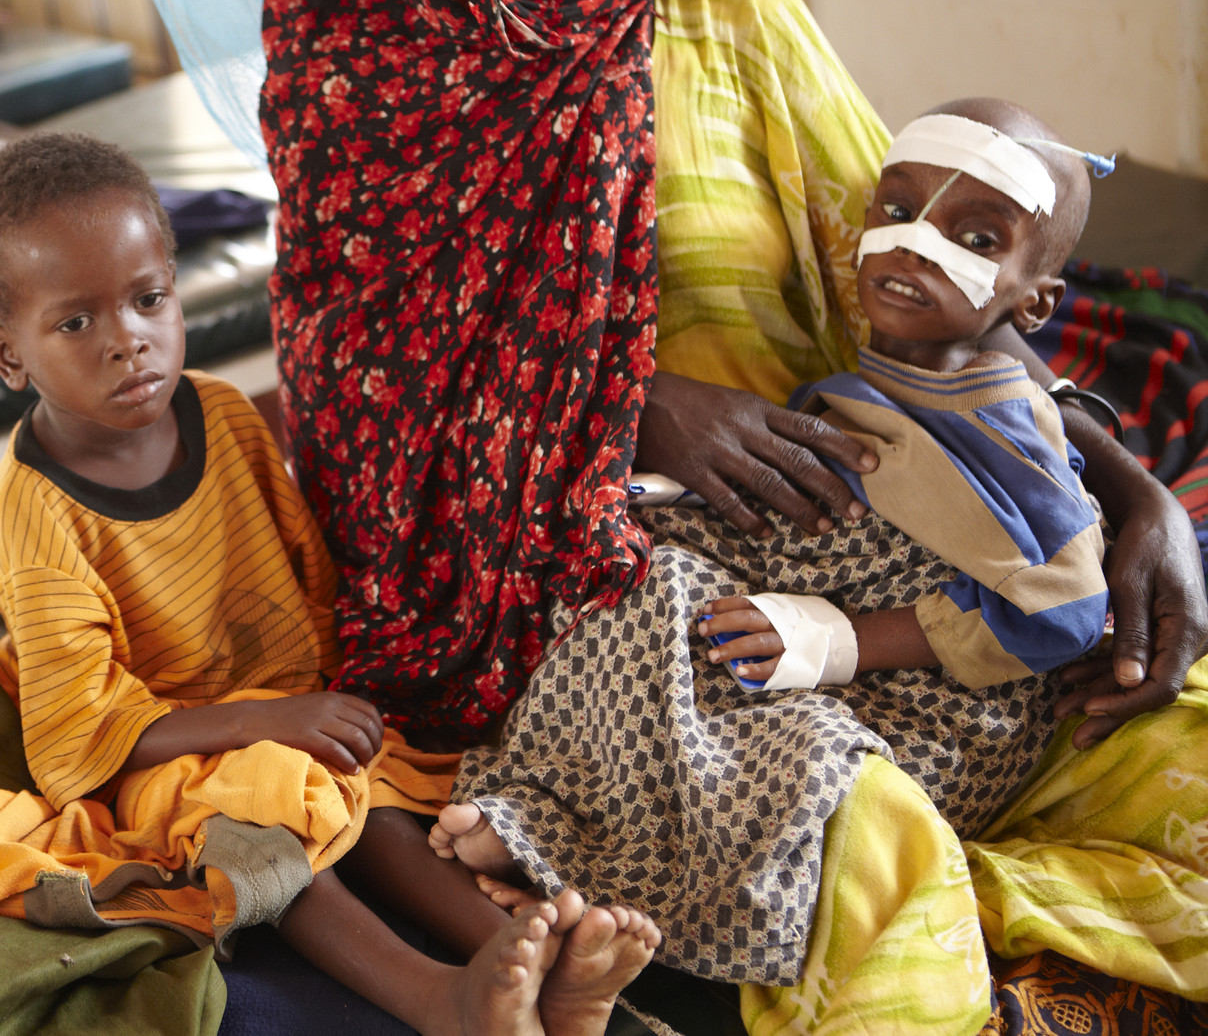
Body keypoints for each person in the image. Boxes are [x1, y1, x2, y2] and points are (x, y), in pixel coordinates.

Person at [260, 0, 1208, 1028]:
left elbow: (922, 282)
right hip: (594, 609)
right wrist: (628, 409)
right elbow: (367, 424)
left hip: (878, 542)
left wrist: (1133, 489)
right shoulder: (354, 68)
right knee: (854, 835)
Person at [0, 133, 661, 1036]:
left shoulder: (224, 413)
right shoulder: (34, 511)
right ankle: (439, 1000)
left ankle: (534, 958)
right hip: (163, 749)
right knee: (262, 822)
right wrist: (257, 721)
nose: (128, 341)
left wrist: (325, 699)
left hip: (280, 705)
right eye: (76, 323)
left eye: (149, 299)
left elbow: (307, 576)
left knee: (375, 792)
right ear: (7, 354)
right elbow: (79, 732)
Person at [429, 101, 1127, 990]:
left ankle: (596, 871)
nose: (914, 246)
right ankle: (548, 819)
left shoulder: (1006, 422)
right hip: (814, 629)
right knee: (635, 583)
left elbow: (1067, 605)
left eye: (976, 237)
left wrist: (842, 641)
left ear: (1036, 304)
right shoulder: (879, 375)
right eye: (897, 209)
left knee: (791, 753)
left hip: (934, 708)